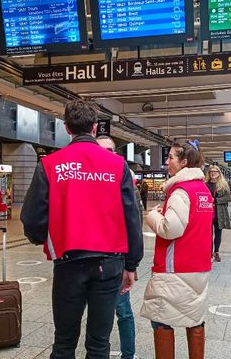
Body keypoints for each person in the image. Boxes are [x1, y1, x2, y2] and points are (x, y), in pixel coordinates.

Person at [20, 100, 143, 359]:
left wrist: (40, 237)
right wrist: (131, 264)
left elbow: (32, 217)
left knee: (64, 341)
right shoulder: (117, 165)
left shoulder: (51, 164)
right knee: (99, 342)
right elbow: (132, 217)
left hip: (68, 261)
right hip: (109, 263)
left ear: (67, 128)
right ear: (96, 127)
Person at [141, 140, 213, 359]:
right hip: (198, 266)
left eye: (171, 157)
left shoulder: (181, 192)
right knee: (194, 319)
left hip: (175, 269)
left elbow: (170, 228)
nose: (167, 161)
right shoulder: (203, 191)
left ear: (184, 163)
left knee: (161, 320)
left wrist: (152, 215)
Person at [96, 135, 141, 359]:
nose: (105, 153)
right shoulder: (88, 182)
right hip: (91, 260)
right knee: (96, 314)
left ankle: (128, 354)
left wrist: (131, 264)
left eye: (110, 150)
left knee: (123, 311)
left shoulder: (124, 181)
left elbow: (134, 223)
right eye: (100, 149)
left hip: (117, 259)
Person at [205, 165, 231, 263]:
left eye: (215, 171)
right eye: (211, 171)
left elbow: (228, 198)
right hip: (207, 212)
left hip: (219, 212)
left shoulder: (223, 185)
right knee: (209, 234)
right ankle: (209, 253)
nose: (213, 173)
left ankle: (216, 252)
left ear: (219, 173)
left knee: (218, 233)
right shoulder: (205, 184)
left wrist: (215, 200)